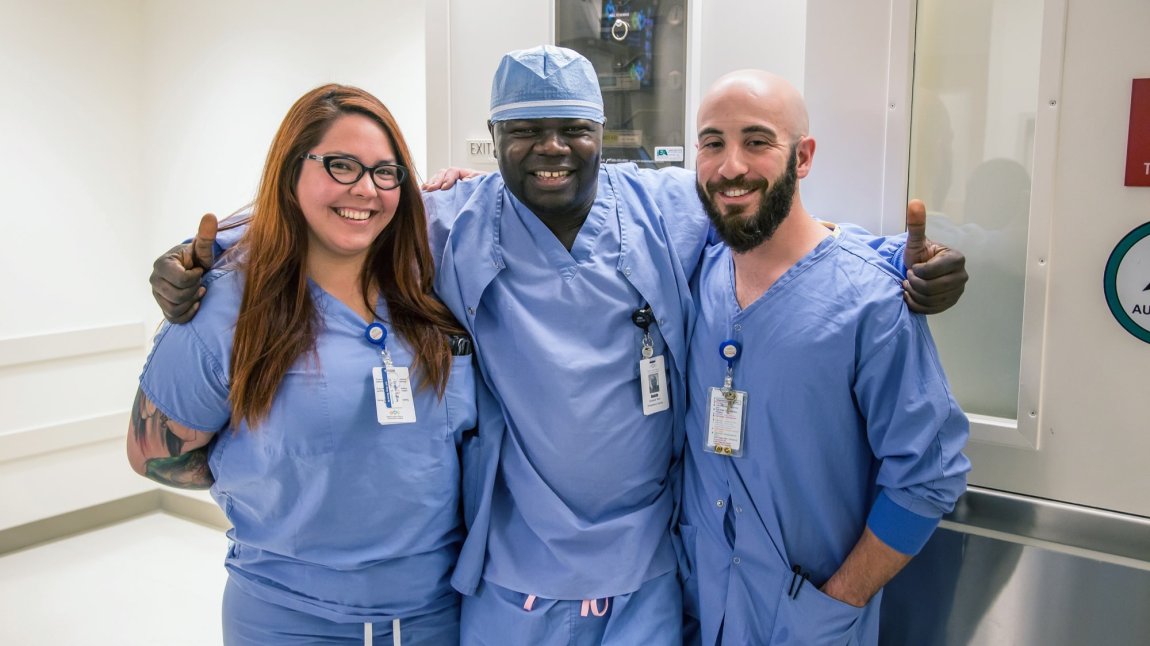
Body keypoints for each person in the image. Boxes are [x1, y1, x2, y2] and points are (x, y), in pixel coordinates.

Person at [149, 46, 969, 645]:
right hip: (517, 576)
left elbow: (769, 222)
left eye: (571, 128)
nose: (550, 147)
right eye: (524, 130)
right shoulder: (452, 220)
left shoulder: (664, 208)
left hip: (647, 571)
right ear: (494, 138)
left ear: (601, 133)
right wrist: (214, 247)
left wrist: (901, 258)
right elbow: (336, 208)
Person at [127, 84, 478, 645]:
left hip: (436, 616)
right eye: (341, 165)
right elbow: (155, 457)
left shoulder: (431, 283)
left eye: (386, 172)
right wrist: (271, 484)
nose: (365, 189)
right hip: (288, 618)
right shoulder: (223, 306)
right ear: (292, 171)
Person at [679, 70, 971, 645]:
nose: (731, 165)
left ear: (803, 157)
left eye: (757, 141)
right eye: (713, 142)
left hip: (809, 620)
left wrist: (838, 602)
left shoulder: (871, 300)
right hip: (701, 605)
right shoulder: (697, 271)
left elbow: (928, 478)